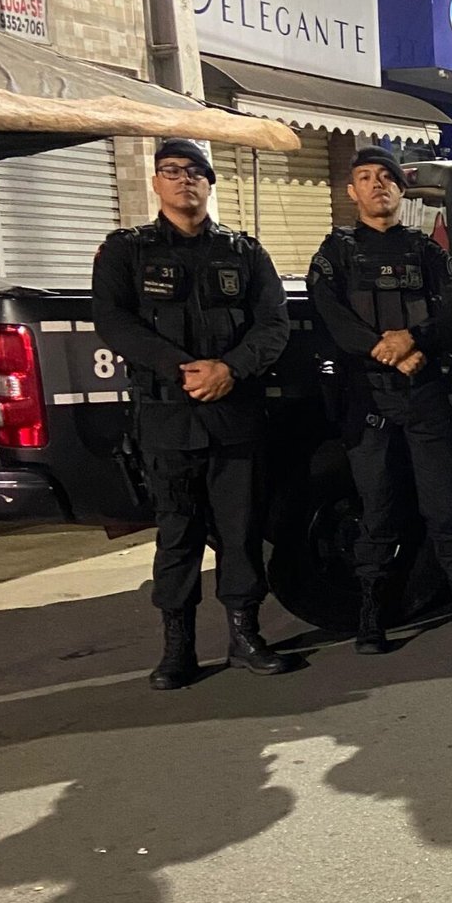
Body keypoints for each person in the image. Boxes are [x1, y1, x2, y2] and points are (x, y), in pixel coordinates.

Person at [92, 138, 294, 690]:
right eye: (172, 171)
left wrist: (230, 369)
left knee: (240, 531)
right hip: (167, 418)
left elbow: (273, 323)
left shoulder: (245, 253)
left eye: (195, 172)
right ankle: (177, 648)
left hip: (234, 414)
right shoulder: (126, 251)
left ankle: (245, 637)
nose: (184, 180)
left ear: (209, 183)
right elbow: (114, 322)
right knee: (177, 534)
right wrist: (182, 368)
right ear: (156, 182)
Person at [308, 147, 452, 653]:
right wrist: (386, 351)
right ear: (352, 191)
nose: (377, 184)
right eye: (365, 177)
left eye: (387, 177)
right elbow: (332, 318)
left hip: (424, 393)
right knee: (377, 509)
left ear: (401, 191)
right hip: (369, 399)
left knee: (446, 505)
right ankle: (371, 615)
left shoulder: (427, 251)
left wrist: (414, 339)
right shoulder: (334, 253)